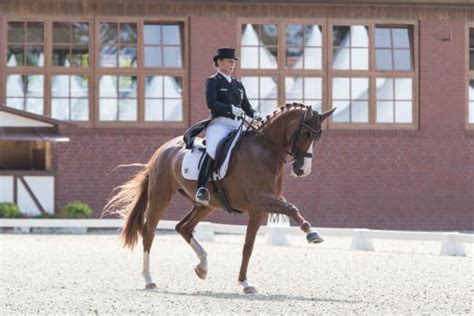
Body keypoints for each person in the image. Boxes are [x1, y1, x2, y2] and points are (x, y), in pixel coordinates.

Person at [195, 47, 263, 204]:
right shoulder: (213, 81)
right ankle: (201, 188)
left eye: (234, 62)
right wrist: (230, 108)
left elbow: (247, 106)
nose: (232, 65)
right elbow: (211, 103)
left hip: (237, 125)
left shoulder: (238, 84)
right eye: (229, 62)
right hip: (219, 123)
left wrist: (256, 114)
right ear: (219, 62)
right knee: (212, 149)